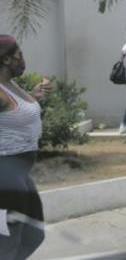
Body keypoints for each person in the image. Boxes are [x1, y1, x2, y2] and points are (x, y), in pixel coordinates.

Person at [0, 35, 52, 259]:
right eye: (19, 55)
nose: (23, 60)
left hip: (21, 175)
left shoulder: (9, 86)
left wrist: (33, 96)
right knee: (8, 243)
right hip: (6, 177)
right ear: (6, 59)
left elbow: (13, 116)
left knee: (34, 234)